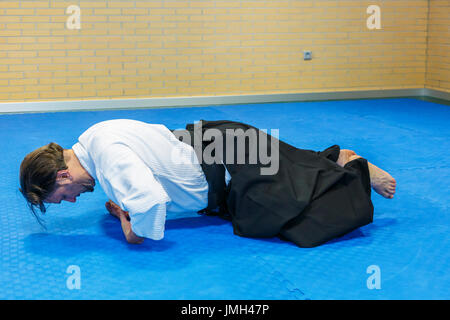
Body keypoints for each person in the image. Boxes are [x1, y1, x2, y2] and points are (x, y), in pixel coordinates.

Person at [19, 119, 396, 247]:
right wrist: (123, 206)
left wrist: (133, 232)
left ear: (61, 175)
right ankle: (336, 158)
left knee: (299, 223)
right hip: (219, 142)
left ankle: (352, 168)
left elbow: (150, 203)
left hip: (233, 163)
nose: (69, 202)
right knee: (292, 165)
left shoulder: (106, 157)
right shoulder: (94, 136)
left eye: (60, 197)